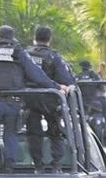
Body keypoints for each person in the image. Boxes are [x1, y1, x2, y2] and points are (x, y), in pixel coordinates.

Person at [0, 25, 63, 172]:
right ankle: (9, 168)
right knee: (10, 134)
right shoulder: (19, 53)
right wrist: (56, 87)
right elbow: (37, 75)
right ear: (12, 39)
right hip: (13, 103)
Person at [24, 26, 76, 168]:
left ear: (34, 37)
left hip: (28, 99)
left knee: (33, 134)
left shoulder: (24, 54)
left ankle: (38, 165)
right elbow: (66, 80)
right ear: (50, 39)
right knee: (56, 132)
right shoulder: (54, 57)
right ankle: (56, 164)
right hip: (50, 99)